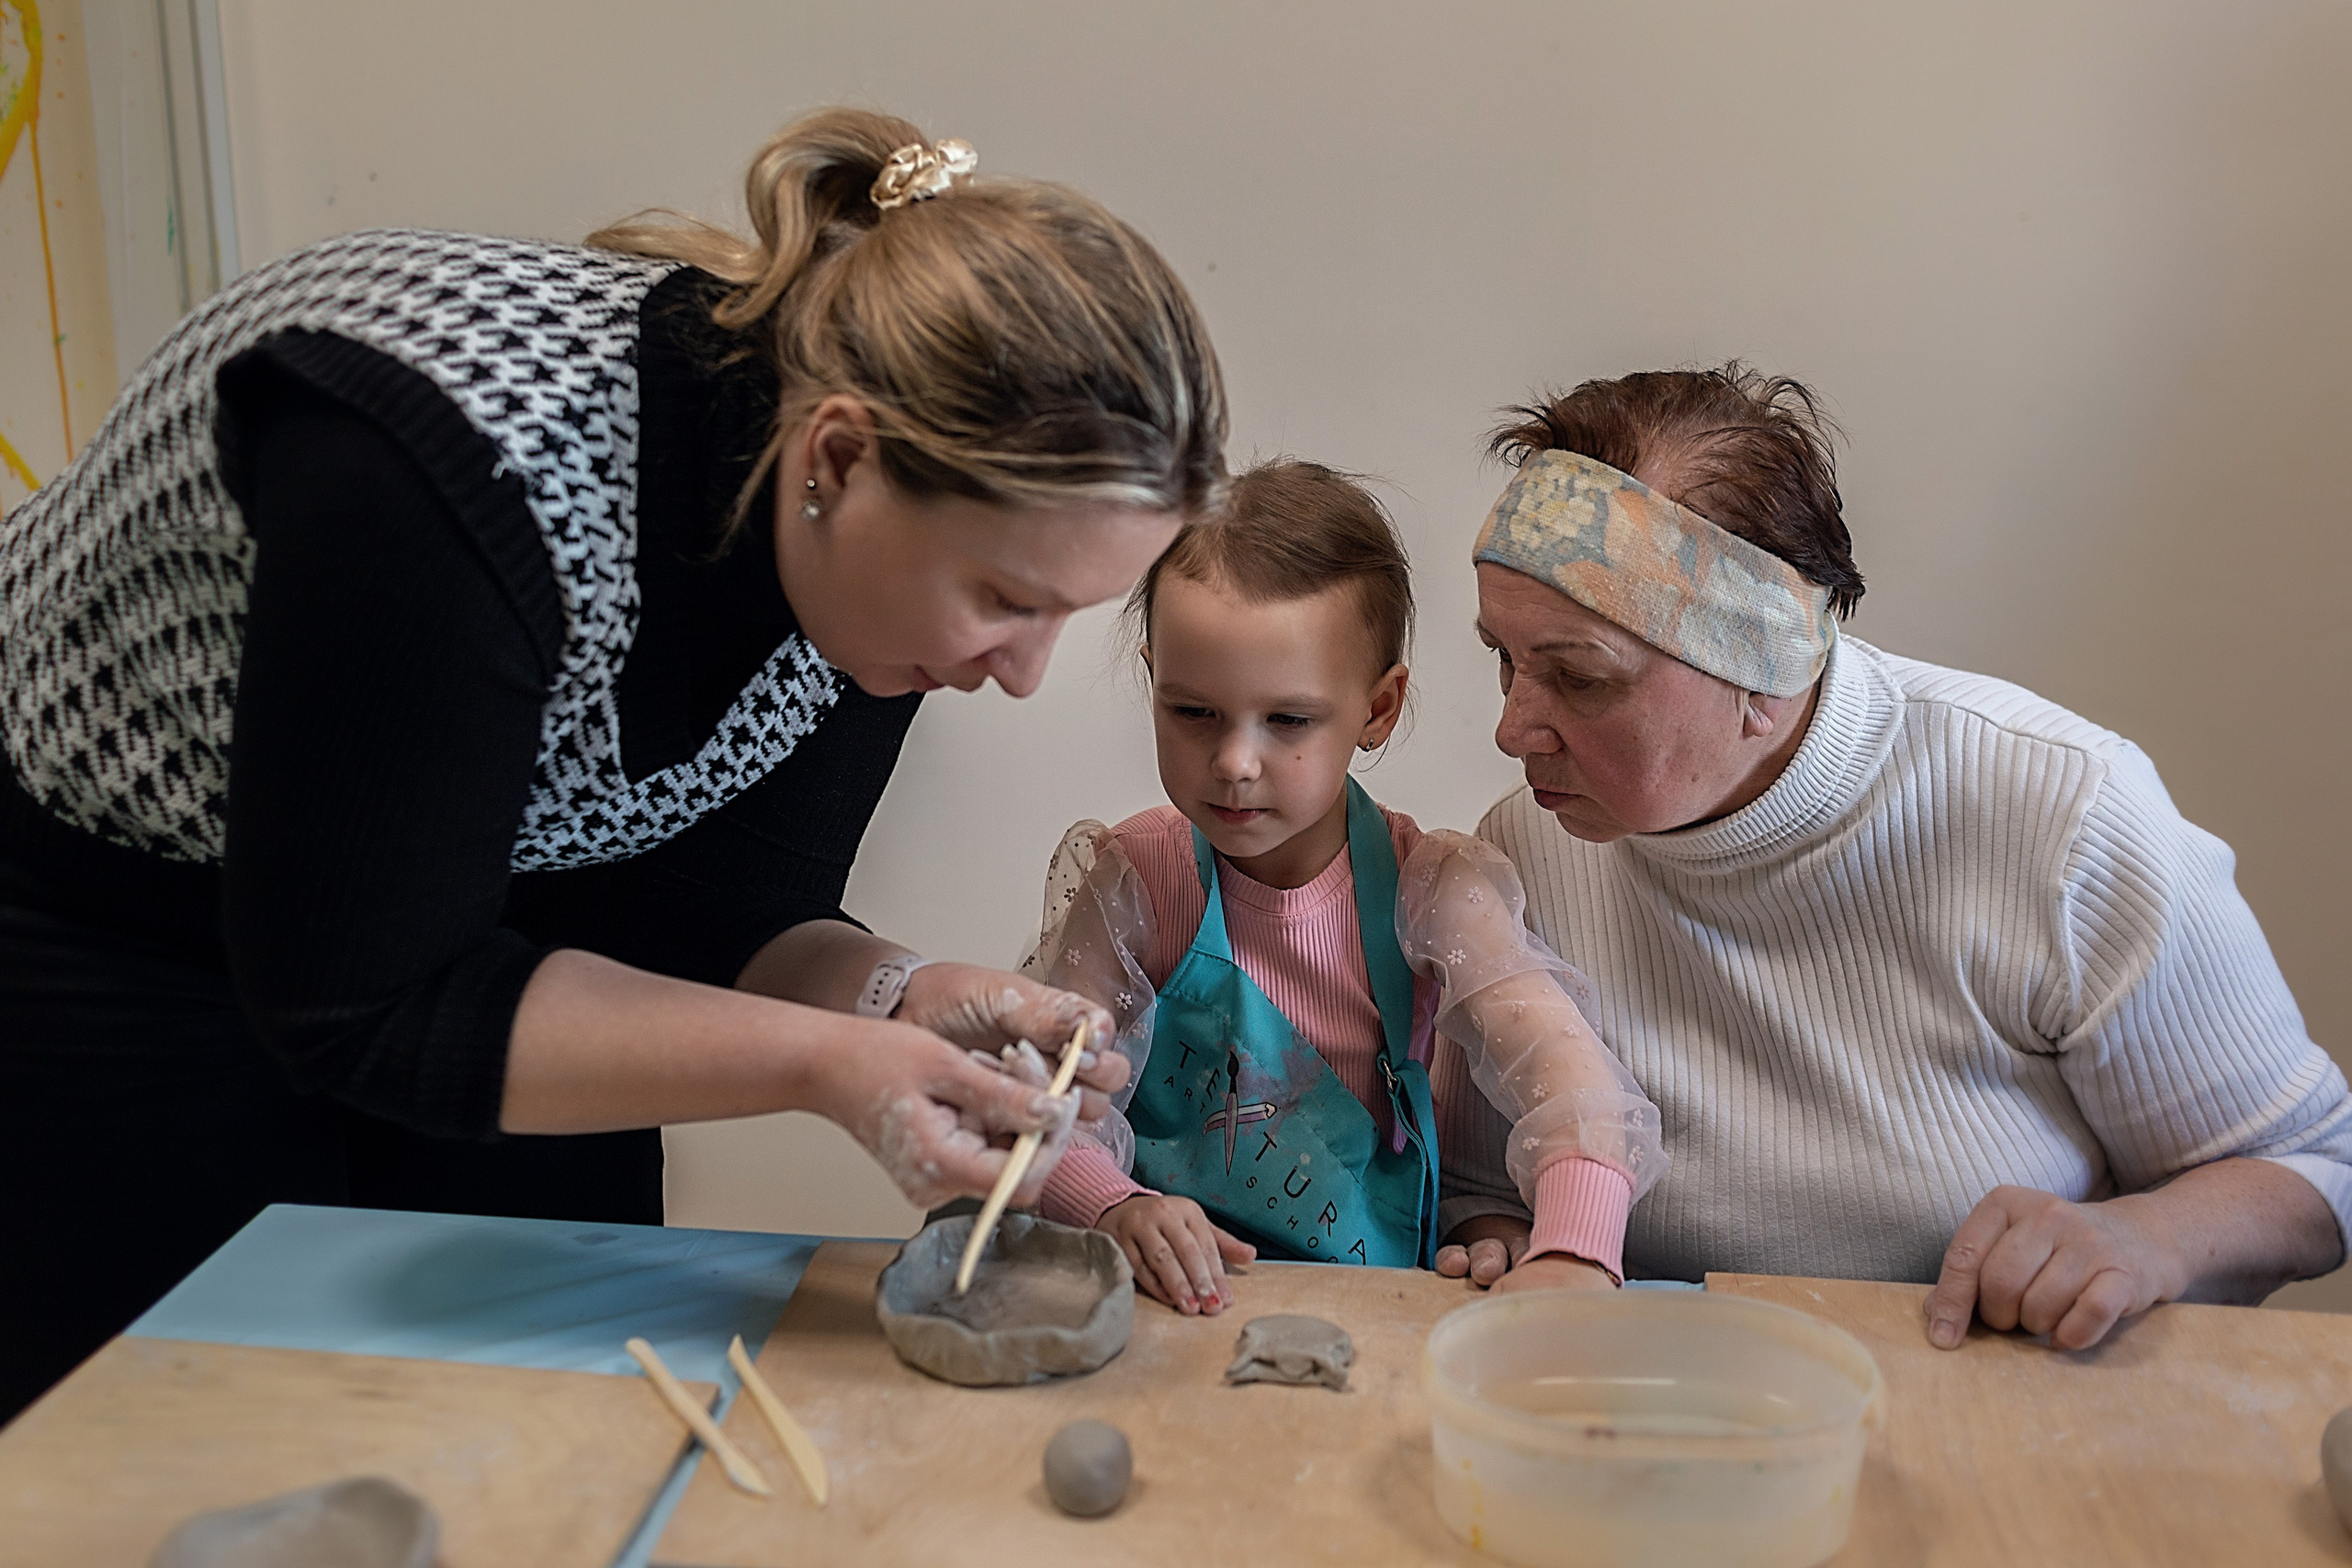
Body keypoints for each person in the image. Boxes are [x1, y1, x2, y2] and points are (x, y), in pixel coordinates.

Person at [0, 108, 1227, 1417]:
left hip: (473, 922)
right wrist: (826, 1068)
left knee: (557, 1375)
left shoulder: (861, 567)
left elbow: (714, 909)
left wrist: (897, 998)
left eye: (1063, 614)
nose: (1022, 670)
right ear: (839, 457)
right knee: (189, 1409)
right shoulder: (447, 466)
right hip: (112, 902)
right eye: (1006, 599)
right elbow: (367, 1001)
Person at [1466, 364, 2351, 1349]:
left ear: (1761, 678)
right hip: (1658, 1399)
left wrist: (2148, 1237)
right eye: (1504, 657)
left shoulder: (2060, 815)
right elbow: (1481, 1187)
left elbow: (2312, 1170)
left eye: (1580, 677)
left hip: (1989, 1405)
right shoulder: (1524, 858)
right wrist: (1494, 1231)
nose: (1512, 729)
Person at [1016, 461, 1663, 1315]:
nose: (1234, 762)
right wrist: (1112, 1204)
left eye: (1287, 720)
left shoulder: (1431, 888)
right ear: (1153, 679)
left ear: (1378, 709)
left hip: (1370, 1305)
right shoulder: (1135, 879)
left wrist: (1573, 1249)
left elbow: (1579, 1091)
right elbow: (1039, 1103)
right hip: (1162, 1301)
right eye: (1193, 712)